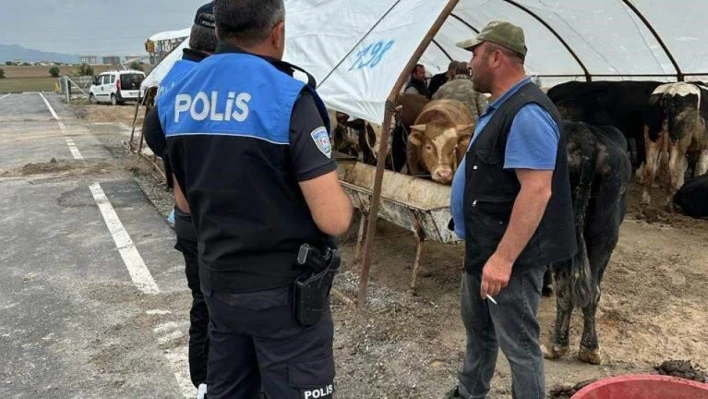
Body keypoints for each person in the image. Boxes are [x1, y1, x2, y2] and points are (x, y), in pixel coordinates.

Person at [156, 0, 354, 398]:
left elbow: (185, 202)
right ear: (277, 32)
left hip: (219, 286)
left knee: (230, 389)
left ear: (222, 28)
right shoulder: (288, 96)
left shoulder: (175, 94)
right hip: (284, 297)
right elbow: (333, 219)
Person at [446, 21, 577, 399]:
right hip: (485, 243)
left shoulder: (526, 112)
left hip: (510, 256)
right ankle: (470, 391)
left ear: (496, 57)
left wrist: (502, 260)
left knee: (519, 345)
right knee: (479, 330)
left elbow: (536, 191)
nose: (469, 63)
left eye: (474, 54)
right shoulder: (502, 106)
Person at [142, 3, 218, 398]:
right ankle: (212, 380)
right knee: (216, 303)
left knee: (200, 299)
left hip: (186, 216)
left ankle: (203, 380)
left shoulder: (174, 78)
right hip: (210, 219)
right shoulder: (208, 79)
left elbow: (155, 137)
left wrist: (179, 170)